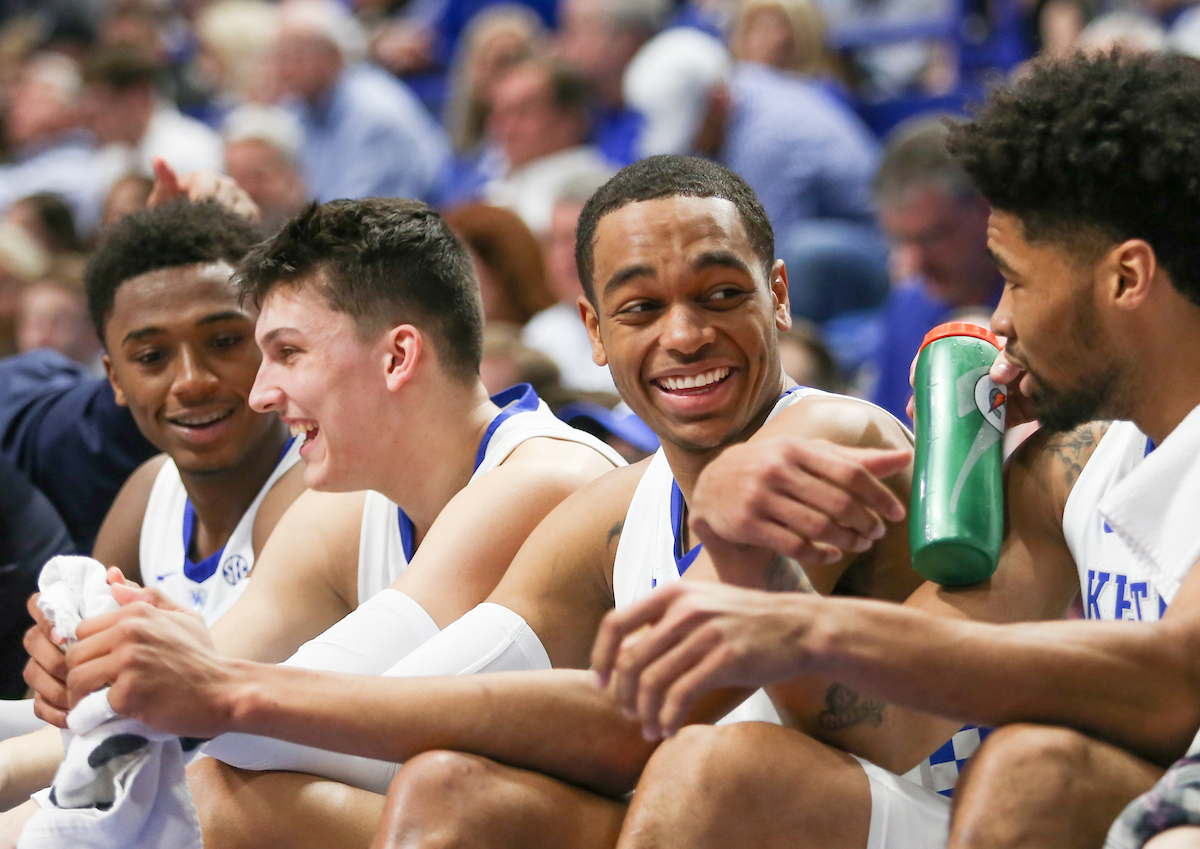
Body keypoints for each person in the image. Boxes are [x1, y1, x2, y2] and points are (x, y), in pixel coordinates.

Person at [46, 156, 959, 849]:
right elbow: (425, 701)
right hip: (695, 805)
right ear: (595, 333)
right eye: (641, 309)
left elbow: (637, 721)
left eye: (721, 295)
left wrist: (225, 694)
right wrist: (143, 691)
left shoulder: (827, 434)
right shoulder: (609, 510)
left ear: (780, 297)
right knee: (436, 788)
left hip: (903, 814)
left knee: (715, 767)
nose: (685, 334)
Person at [588, 51, 1200, 849]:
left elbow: (1173, 679)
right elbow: (880, 722)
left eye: (1017, 280)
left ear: (1127, 278)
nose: (1001, 320)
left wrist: (819, 632)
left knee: (1035, 772)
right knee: (714, 762)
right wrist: (750, 560)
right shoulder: (1073, 465)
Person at [11, 194, 624, 845]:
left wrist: (172, 686)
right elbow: (213, 694)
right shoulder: (342, 510)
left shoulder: (544, 479)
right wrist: (123, 676)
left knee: (238, 794)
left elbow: (331, 736)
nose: (261, 391)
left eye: (287, 352)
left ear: (397, 357)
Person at [869, 116, 1003, 420]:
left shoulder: (1040, 308)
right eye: (900, 241)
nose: (916, 263)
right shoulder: (908, 306)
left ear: (987, 211)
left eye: (934, 237)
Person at [273, 0, 449, 203]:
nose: (284, 69)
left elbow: (354, 217)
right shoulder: (298, 107)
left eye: (296, 57)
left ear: (334, 55)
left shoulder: (374, 113)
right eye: (280, 57)